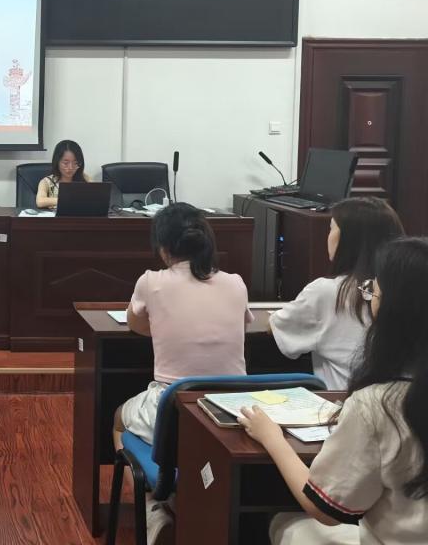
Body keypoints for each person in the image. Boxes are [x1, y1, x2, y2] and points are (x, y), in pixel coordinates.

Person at [239, 237, 428, 545]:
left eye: (372, 292)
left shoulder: (377, 405)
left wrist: (272, 438)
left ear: (393, 311)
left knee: (287, 525)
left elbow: (323, 508)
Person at [113, 203, 253, 542]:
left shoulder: (151, 282)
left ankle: (153, 508)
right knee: (194, 446)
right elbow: (245, 324)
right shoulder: (236, 283)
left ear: (163, 248)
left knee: (118, 419)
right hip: (232, 411)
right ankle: (183, 499)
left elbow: (136, 324)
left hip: (173, 408)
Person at [270, 196, 404, 390]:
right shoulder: (408, 288)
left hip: (343, 404)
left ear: (348, 239)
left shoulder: (328, 292)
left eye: (331, 228)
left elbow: (278, 327)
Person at [35, 139, 90, 210]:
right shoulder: (47, 182)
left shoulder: (85, 179)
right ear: (57, 162)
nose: (70, 167)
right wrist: (68, 200)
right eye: (65, 163)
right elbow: (40, 202)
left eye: (75, 163)